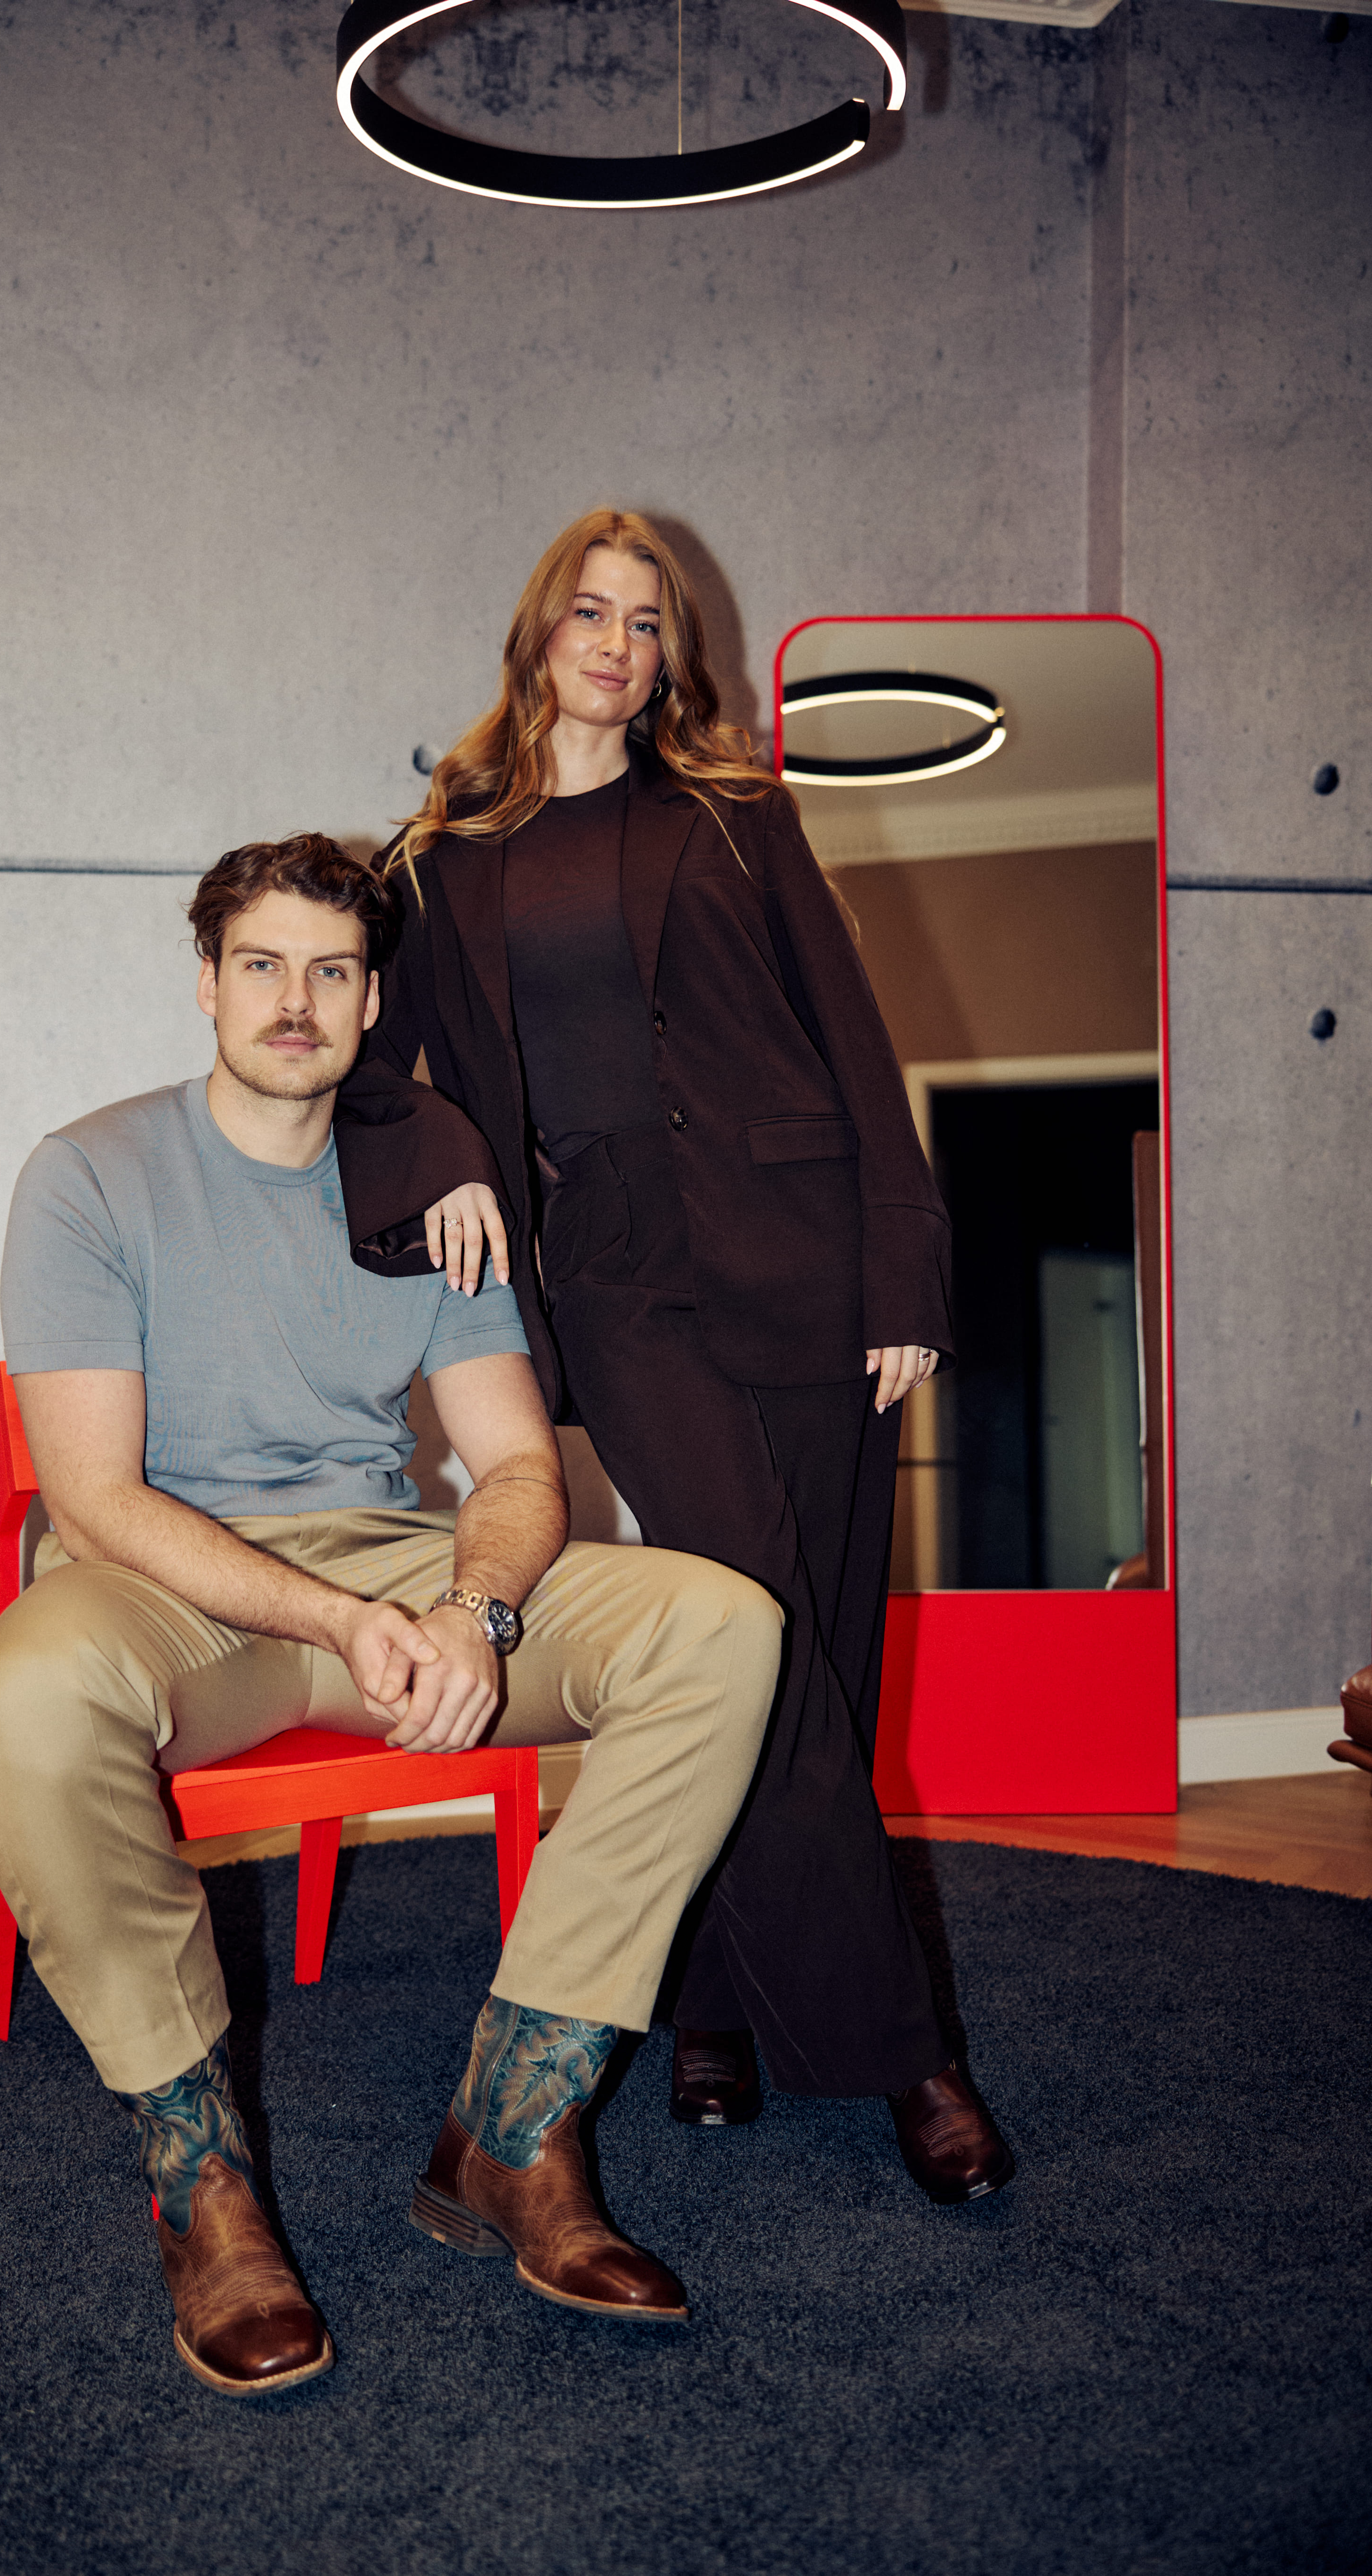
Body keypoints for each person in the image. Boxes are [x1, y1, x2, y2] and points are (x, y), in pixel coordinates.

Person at [0, 832, 784, 2398]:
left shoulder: (429, 1183)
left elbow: (518, 1465)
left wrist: (475, 1609)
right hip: (169, 1591)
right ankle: (200, 2178)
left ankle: (515, 2125)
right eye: (262, 966)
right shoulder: (90, 1174)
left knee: (721, 1624)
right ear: (207, 984)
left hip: (392, 1576)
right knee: (33, 1690)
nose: (297, 1000)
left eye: (331, 971)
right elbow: (99, 1502)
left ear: (370, 999)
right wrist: (342, 1622)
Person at [355, 508, 1013, 2203]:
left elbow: (853, 1040)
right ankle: (908, 2054)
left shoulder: (735, 812)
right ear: (540, 631)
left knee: (825, 1646)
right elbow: (380, 1073)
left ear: (673, 658)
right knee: (752, 1626)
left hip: (806, 1252)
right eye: (592, 612)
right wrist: (449, 1172)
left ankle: (714, 1996)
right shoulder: (444, 855)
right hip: (610, 1272)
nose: (618, 645)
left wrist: (904, 1268)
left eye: (648, 624)